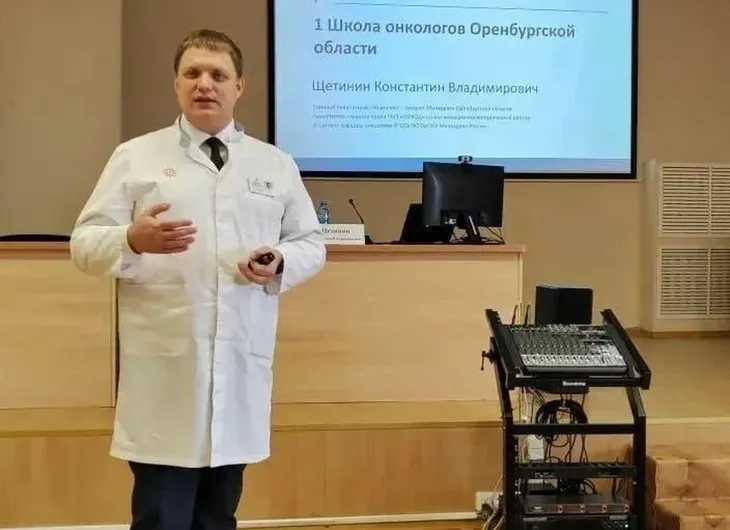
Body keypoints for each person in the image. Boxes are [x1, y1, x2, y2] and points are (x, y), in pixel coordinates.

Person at [69, 29, 326, 530]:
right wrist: (132, 240)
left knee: (217, 517)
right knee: (162, 518)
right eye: (192, 73)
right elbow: (84, 243)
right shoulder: (136, 156)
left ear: (239, 86)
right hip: (167, 377)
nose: (204, 84)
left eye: (217, 75)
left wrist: (278, 261)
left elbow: (310, 243)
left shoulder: (274, 164)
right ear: (176, 84)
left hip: (239, 367)